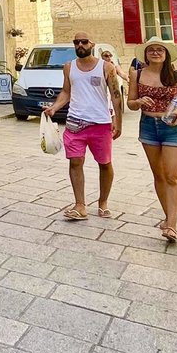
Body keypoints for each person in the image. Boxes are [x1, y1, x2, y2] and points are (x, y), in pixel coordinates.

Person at [43, 32, 123, 221]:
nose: (80, 44)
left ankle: (103, 202)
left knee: (104, 164)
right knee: (75, 162)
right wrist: (54, 108)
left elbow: (115, 95)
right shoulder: (69, 67)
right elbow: (66, 91)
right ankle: (80, 206)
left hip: (100, 124)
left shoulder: (106, 67)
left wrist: (118, 121)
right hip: (74, 123)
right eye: (76, 42)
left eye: (84, 42)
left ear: (91, 44)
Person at [128, 41, 177, 243]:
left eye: (160, 50)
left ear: (166, 54)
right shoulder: (137, 75)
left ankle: (172, 226)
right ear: (146, 55)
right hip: (148, 126)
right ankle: (168, 219)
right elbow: (130, 104)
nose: (156, 52)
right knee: (159, 175)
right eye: (151, 50)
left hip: (173, 128)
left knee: (172, 177)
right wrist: (139, 102)